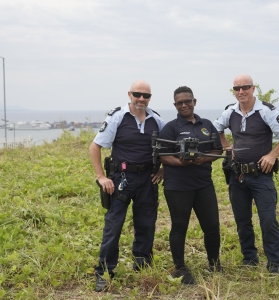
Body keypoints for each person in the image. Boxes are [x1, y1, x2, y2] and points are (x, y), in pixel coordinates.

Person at [213, 74, 279, 274]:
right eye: (237, 88)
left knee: (268, 220)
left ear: (253, 88)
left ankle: (275, 264)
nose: (241, 91)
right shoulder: (230, 112)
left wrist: (272, 155)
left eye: (245, 87)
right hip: (237, 175)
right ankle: (249, 258)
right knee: (242, 220)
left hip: (261, 175)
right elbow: (215, 129)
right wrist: (226, 146)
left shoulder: (266, 111)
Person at [89, 80, 165, 292]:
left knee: (146, 224)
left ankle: (142, 266)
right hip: (120, 180)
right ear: (129, 94)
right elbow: (95, 147)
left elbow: (167, 148)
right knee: (113, 226)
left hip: (147, 180)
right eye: (137, 94)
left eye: (146, 95)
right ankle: (104, 272)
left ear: (150, 98)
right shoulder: (117, 117)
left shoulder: (156, 120)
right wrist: (101, 177)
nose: (142, 98)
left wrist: (163, 170)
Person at [158, 86, 222, 284]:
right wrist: (181, 162)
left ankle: (214, 263)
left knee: (211, 225)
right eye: (179, 103)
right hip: (177, 186)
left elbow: (217, 150)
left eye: (187, 101)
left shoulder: (207, 125)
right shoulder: (170, 128)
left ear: (195, 101)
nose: (184, 105)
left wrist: (204, 159)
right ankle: (180, 268)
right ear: (175, 105)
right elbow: (162, 154)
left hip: (203, 184)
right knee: (179, 226)